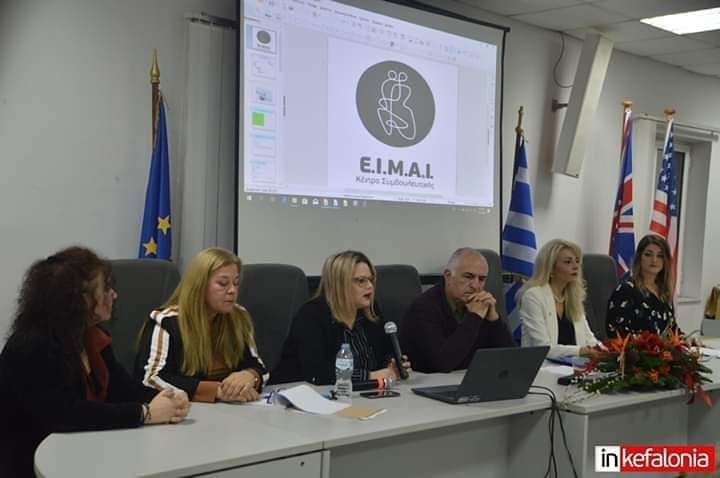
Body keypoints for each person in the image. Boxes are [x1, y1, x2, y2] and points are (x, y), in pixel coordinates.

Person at [0, 247, 189, 477]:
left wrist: (166, 399)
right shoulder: (31, 346)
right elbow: (67, 414)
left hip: (84, 455)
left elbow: (123, 388)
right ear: (79, 298)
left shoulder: (92, 336)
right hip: (34, 465)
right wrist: (145, 413)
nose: (114, 295)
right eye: (106, 288)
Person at [136, 247, 268, 402]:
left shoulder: (238, 316)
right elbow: (150, 378)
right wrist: (216, 391)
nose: (232, 290)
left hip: (231, 408)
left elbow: (261, 369)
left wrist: (250, 375)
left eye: (236, 283)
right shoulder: (167, 321)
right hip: (184, 409)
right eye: (223, 283)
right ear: (199, 285)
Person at [271, 250, 409, 385]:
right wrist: (369, 376)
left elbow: (385, 352)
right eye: (361, 281)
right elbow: (317, 373)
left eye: (371, 280)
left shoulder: (371, 312)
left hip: (363, 392)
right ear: (339, 284)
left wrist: (392, 364)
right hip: (304, 393)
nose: (370, 286)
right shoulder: (311, 315)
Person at [400, 248, 515, 373]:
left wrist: (494, 320)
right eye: (468, 277)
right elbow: (442, 364)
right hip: (430, 381)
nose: (475, 285)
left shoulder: (480, 304)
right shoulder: (423, 308)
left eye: (481, 279)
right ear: (448, 276)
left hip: (470, 378)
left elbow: (511, 359)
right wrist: (474, 317)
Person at [518, 239, 600, 359]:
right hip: (542, 367)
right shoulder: (533, 296)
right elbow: (543, 348)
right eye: (568, 262)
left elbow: (589, 339)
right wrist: (580, 351)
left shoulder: (573, 297)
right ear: (550, 268)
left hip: (574, 366)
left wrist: (606, 350)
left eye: (577, 261)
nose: (576, 266)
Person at [606, 234, 680, 336]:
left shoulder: (664, 292)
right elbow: (615, 332)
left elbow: (672, 330)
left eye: (660, 256)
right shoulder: (626, 290)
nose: (654, 260)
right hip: (636, 346)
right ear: (639, 257)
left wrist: (687, 340)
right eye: (648, 255)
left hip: (664, 346)